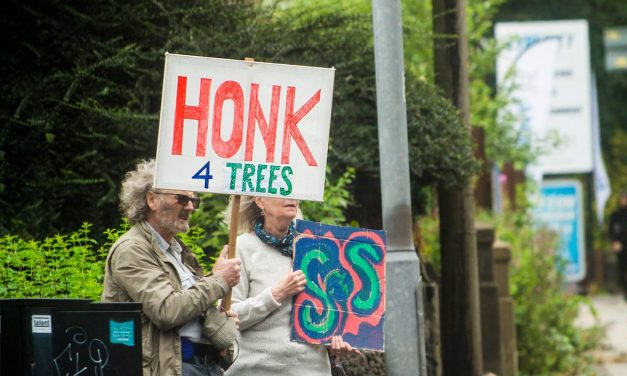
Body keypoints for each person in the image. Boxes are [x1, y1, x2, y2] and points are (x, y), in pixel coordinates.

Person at [101, 159, 242, 376]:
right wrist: (219, 280)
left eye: (194, 200)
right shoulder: (131, 250)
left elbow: (191, 310)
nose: (190, 207)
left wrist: (220, 321)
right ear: (151, 199)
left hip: (201, 366)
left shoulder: (177, 251)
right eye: (181, 198)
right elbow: (167, 311)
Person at [224, 195, 358, 376]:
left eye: (294, 193)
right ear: (260, 201)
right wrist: (276, 294)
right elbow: (228, 318)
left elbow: (333, 313)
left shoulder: (318, 247)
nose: (291, 198)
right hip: (254, 369)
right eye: (282, 193)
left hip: (310, 369)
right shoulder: (241, 247)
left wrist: (335, 337)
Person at [610, 192, 627, 299]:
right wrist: (614, 241)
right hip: (621, 246)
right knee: (622, 269)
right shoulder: (615, 215)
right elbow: (612, 230)